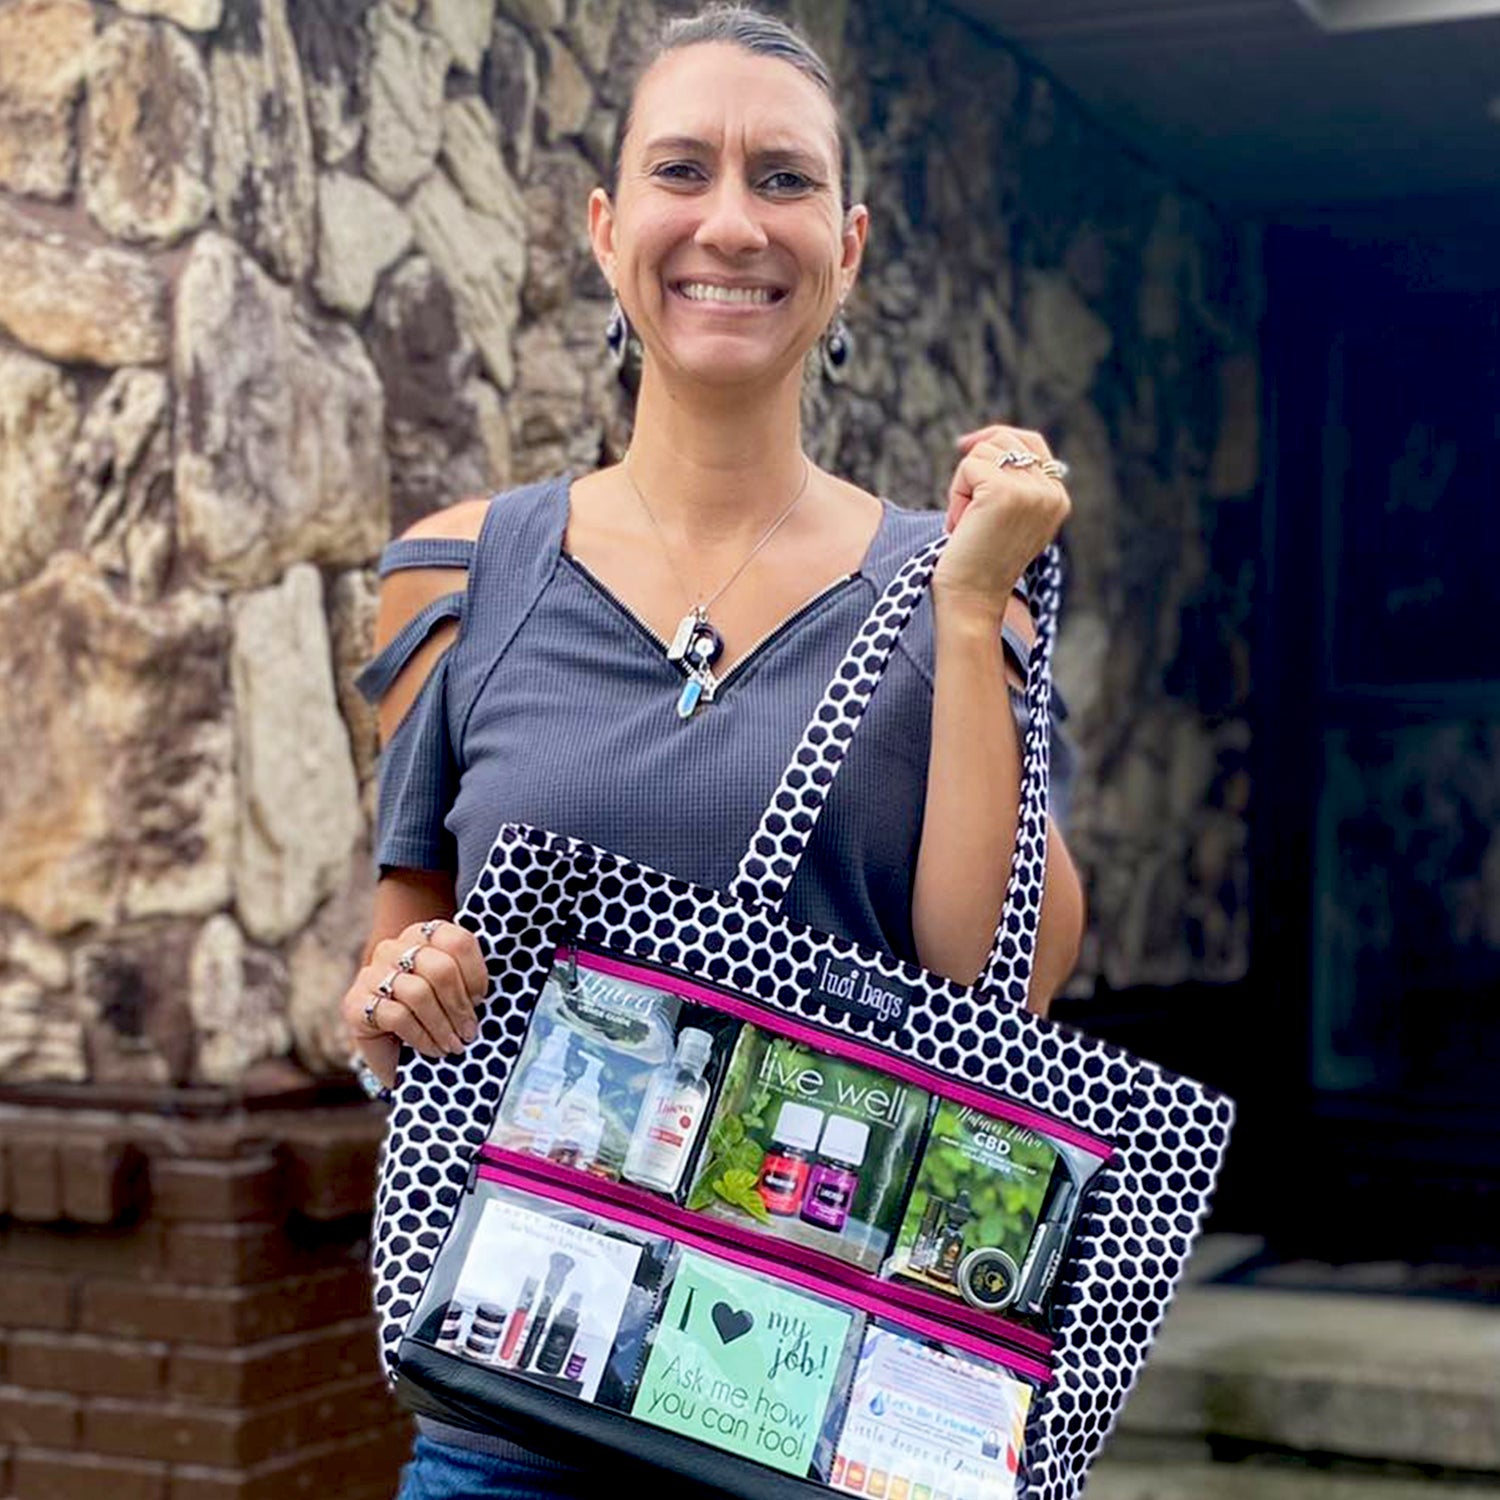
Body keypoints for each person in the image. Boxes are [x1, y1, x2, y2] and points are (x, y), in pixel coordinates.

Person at [339, 6, 1085, 1496]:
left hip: (824, 1417)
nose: (731, 222)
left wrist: (965, 610)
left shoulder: (953, 578)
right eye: (684, 171)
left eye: (785, 180)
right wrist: (387, 998)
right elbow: (398, 967)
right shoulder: (460, 572)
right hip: (518, 1408)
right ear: (608, 230)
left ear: (850, 244)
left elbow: (995, 977)